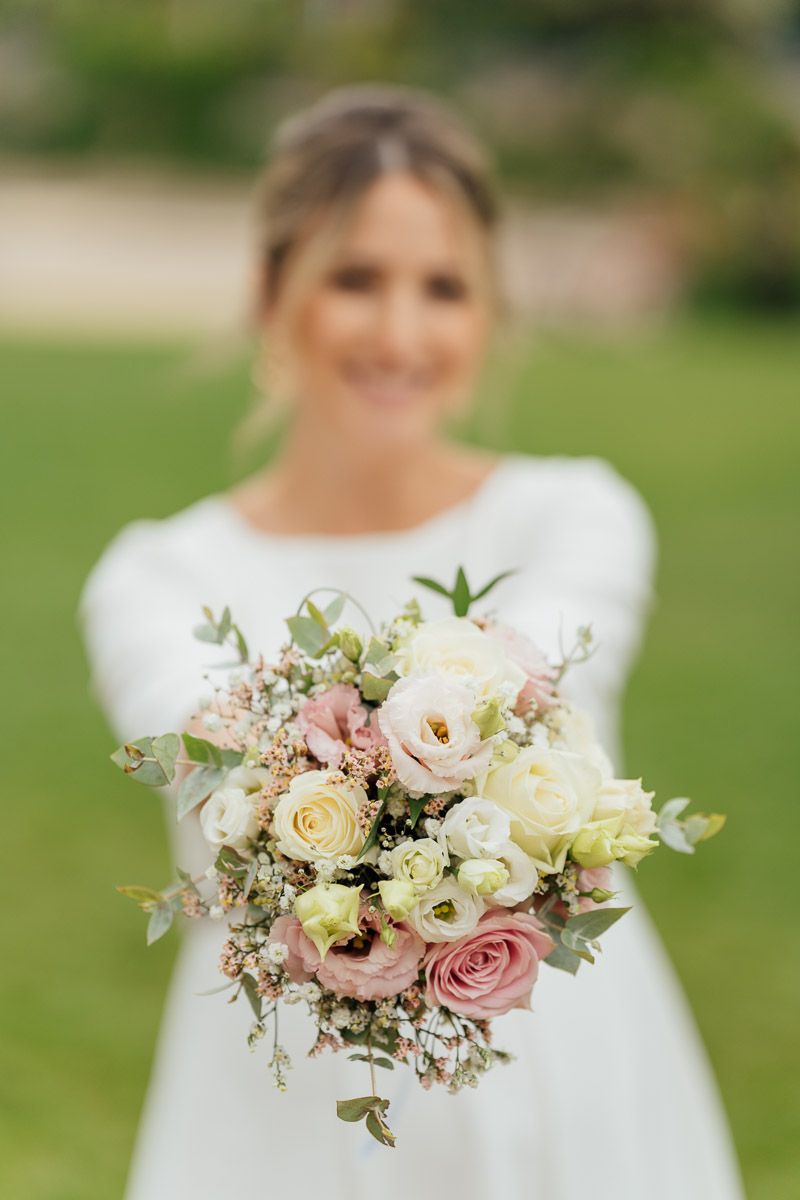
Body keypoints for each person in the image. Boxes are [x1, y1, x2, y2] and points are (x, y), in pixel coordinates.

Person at [79, 84, 743, 1199]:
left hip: (559, 1088)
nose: (399, 332)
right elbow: (209, 743)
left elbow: (543, 668)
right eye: (354, 279)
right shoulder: (159, 577)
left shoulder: (573, 517)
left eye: (441, 288)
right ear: (267, 292)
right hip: (276, 1118)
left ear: (488, 313)